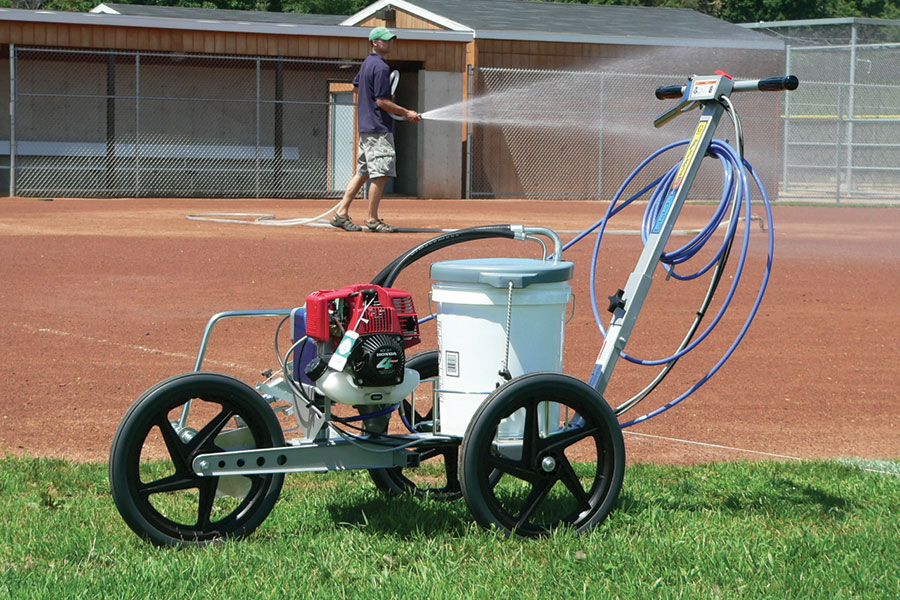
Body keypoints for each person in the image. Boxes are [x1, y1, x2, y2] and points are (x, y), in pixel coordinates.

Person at [330, 26, 421, 233]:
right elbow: (381, 101)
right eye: (385, 40)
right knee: (380, 174)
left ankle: (341, 214)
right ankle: (372, 219)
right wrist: (407, 112)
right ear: (375, 43)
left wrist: (379, 99)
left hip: (367, 128)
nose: (389, 43)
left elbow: (356, 88)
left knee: (363, 172)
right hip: (379, 129)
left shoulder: (367, 64)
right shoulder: (380, 67)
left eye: (390, 40)